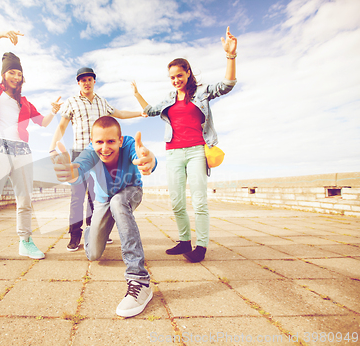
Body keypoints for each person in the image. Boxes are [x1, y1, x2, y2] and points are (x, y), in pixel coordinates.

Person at [131, 26, 238, 263]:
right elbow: (149, 111)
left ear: (188, 72)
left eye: (179, 75)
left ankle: (201, 246)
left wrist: (230, 55)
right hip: (174, 153)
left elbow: (227, 85)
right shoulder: (170, 99)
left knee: (199, 200)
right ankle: (184, 240)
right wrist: (137, 93)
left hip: (197, 151)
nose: (176, 80)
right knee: (177, 201)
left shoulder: (202, 92)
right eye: (172, 77)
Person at [0, 30, 62, 265]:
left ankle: (25, 241)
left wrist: (53, 110)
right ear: (3, 75)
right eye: (12, 72)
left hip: (22, 150)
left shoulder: (25, 102)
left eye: (19, 73)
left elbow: (42, 122)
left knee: (25, 200)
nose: (16, 76)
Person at [53, 116, 157, 318]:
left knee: (119, 202)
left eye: (111, 141)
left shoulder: (129, 145)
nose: (105, 148)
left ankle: (139, 279)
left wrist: (150, 160)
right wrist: (69, 171)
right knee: (93, 254)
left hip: (130, 191)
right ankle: (93, 232)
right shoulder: (91, 153)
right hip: (102, 200)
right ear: (92, 142)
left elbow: (145, 156)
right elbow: (78, 168)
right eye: (99, 142)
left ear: (120, 140)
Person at [49, 67, 144, 252]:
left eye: (89, 79)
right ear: (79, 83)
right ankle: (75, 235)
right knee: (77, 197)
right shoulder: (72, 102)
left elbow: (120, 114)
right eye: (82, 80)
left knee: (96, 197)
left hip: (100, 154)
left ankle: (97, 232)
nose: (86, 82)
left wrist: (140, 113)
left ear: (94, 81)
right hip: (80, 154)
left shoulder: (102, 102)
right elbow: (62, 126)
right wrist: (53, 147)